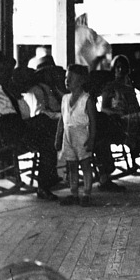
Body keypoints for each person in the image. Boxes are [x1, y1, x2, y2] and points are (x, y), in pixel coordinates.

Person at [0, 51, 59, 200]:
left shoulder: (8, 90)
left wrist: (18, 98)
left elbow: (24, 115)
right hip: (4, 130)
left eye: (9, 71)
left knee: (47, 128)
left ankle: (46, 181)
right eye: (5, 71)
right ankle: (47, 180)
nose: (8, 75)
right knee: (46, 125)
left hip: (17, 126)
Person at [55, 64, 96, 207]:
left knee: (85, 164)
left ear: (82, 80)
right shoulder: (65, 99)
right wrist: (58, 136)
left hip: (81, 135)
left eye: (71, 77)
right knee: (71, 166)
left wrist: (91, 139)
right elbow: (62, 119)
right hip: (68, 135)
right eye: (67, 77)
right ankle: (74, 193)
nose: (67, 80)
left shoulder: (87, 99)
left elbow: (92, 122)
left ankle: (87, 193)